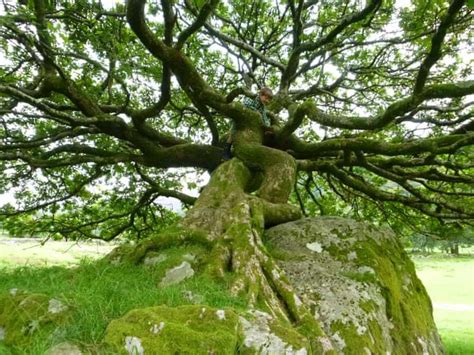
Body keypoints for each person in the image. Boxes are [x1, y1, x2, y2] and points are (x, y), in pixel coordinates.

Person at [223, 87, 274, 160]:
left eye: (269, 100)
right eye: (266, 98)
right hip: (241, 118)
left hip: (251, 123)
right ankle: (226, 151)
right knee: (233, 133)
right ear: (261, 95)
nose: (267, 101)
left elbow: (264, 117)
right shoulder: (252, 97)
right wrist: (255, 111)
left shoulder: (263, 107)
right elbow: (246, 104)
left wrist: (267, 126)